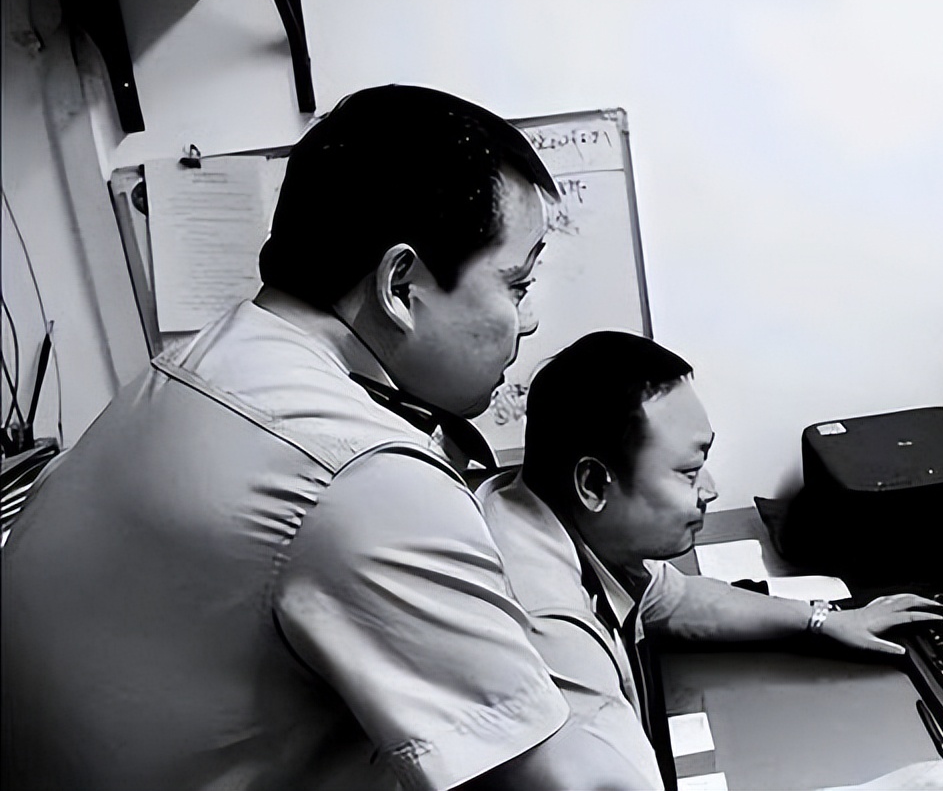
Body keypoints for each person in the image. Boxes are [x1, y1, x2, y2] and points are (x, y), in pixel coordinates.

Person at [5, 85, 601, 791]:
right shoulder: (359, 473)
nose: (527, 322)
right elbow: (555, 783)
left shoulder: (193, 368)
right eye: (517, 286)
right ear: (400, 286)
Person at [479, 330, 943, 790]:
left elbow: (671, 598)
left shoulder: (538, 512)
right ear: (594, 483)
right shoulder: (552, 630)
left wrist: (823, 620)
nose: (710, 489)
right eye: (688, 473)